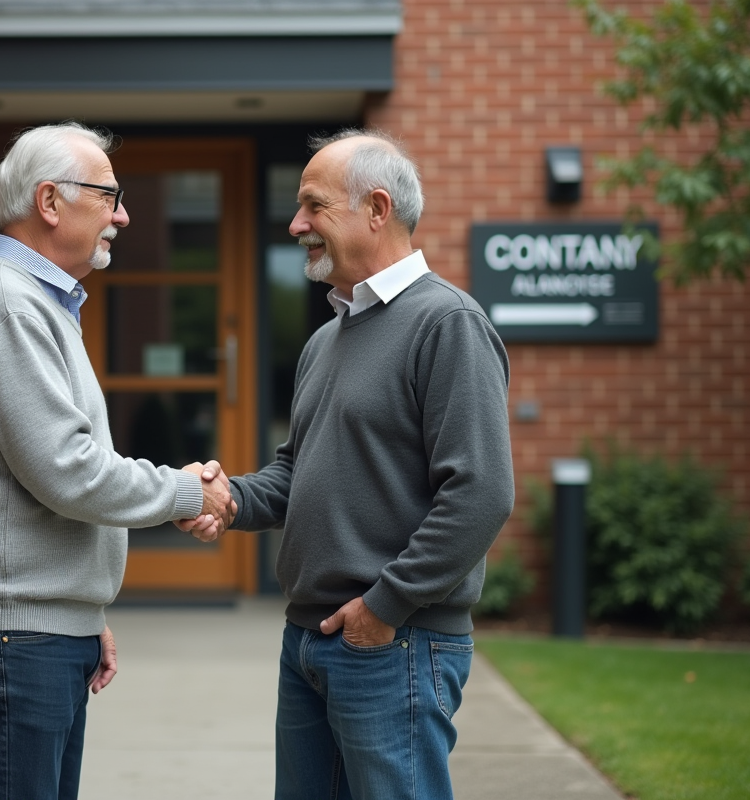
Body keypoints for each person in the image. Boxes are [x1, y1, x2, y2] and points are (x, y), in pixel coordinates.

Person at [0, 122, 233, 800]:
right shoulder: (7, 304)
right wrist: (186, 491)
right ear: (50, 201)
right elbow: (69, 471)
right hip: (12, 640)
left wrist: (85, 614)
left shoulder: (34, 303)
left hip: (31, 631)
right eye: (108, 195)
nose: (122, 215)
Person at [200, 129, 515, 799]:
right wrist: (229, 498)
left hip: (394, 643)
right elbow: (295, 471)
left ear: (377, 209)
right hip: (309, 641)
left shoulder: (448, 324)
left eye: (313, 206)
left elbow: (480, 493)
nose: (295, 225)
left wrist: (385, 606)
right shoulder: (325, 340)